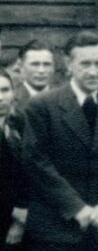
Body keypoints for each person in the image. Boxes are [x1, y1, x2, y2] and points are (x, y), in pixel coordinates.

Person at [22, 31, 98, 250]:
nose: (94, 72)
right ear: (69, 64)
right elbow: (36, 163)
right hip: (56, 229)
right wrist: (76, 207)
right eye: (85, 64)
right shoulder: (42, 105)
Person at [0, 69, 28, 250]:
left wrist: (22, 216)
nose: (0, 97)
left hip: (25, 219)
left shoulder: (21, 124)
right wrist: (14, 212)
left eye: (5, 90)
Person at [15, 39, 56, 112]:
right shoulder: (12, 98)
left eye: (47, 64)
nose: (41, 70)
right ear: (21, 66)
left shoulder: (64, 98)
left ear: (53, 67)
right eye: (35, 64)